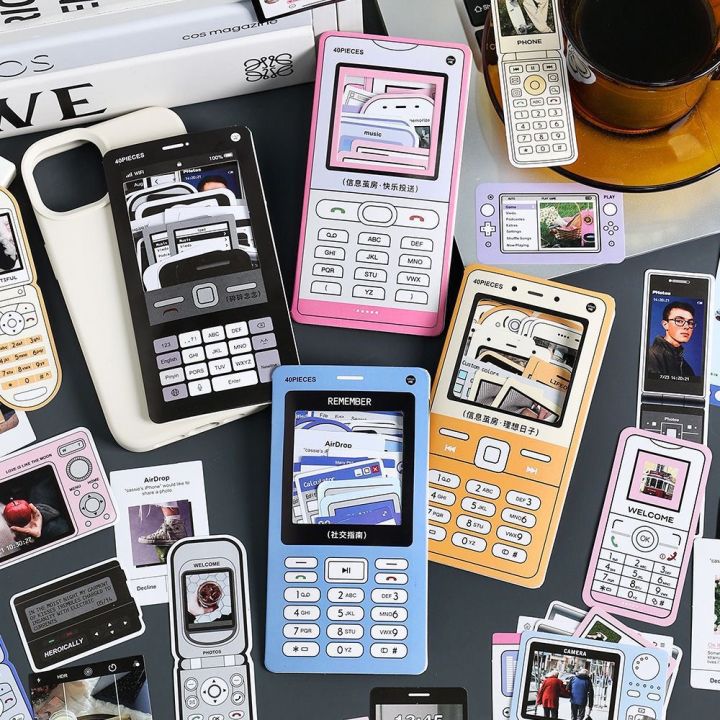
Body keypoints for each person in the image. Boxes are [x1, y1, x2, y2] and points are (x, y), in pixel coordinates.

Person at [646, 301, 697, 378]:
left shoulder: (686, 367)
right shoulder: (650, 356)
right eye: (679, 321)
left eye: (690, 323)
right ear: (665, 324)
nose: (687, 327)